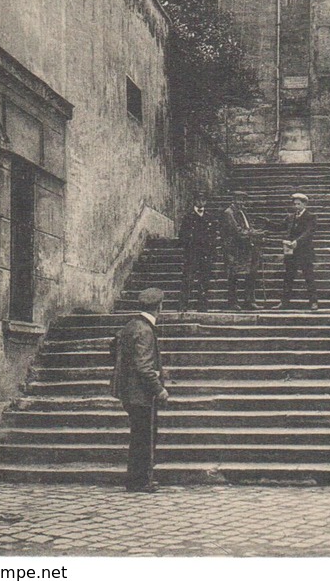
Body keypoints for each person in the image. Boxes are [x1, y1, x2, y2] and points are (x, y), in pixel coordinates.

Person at [110, 287, 169, 493]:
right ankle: (139, 481)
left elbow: (114, 350)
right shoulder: (145, 330)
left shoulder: (131, 326)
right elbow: (144, 366)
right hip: (141, 394)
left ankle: (136, 478)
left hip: (130, 391)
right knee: (144, 437)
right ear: (159, 307)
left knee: (139, 436)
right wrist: (159, 389)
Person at [221, 190, 261, 310]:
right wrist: (254, 233)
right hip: (234, 248)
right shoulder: (229, 213)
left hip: (246, 247)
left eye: (243, 200)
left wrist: (256, 232)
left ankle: (249, 300)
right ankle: (232, 302)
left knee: (250, 273)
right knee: (233, 275)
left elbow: (248, 228)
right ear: (233, 200)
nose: (241, 202)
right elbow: (237, 231)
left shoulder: (243, 212)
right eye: (238, 199)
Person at [279, 192, 319, 309]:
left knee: (309, 277)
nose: (296, 206)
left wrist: (297, 241)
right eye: (295, 204)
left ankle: (313, 302)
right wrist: (267, 223)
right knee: (288, 277)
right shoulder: (291, 217)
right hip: (291, 253)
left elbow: (308, 232)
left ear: (304, 204)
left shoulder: (311, 217)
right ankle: (284, 302)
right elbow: (280, 226)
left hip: (305, 252)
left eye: (298, 204)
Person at [178, 196, 216, 311]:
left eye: (203, 200)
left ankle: (202, 305)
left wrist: (212, 252)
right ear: (194, 201)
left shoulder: (209, 217)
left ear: (206, 201)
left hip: (205, 254)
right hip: (192, 254)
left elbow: (213, 237)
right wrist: (188, 248)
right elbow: (182, 236)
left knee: (204, 280)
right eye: (198, 200)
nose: (201, 202)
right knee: (188, 279)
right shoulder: (188, 217)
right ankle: (183, 305)